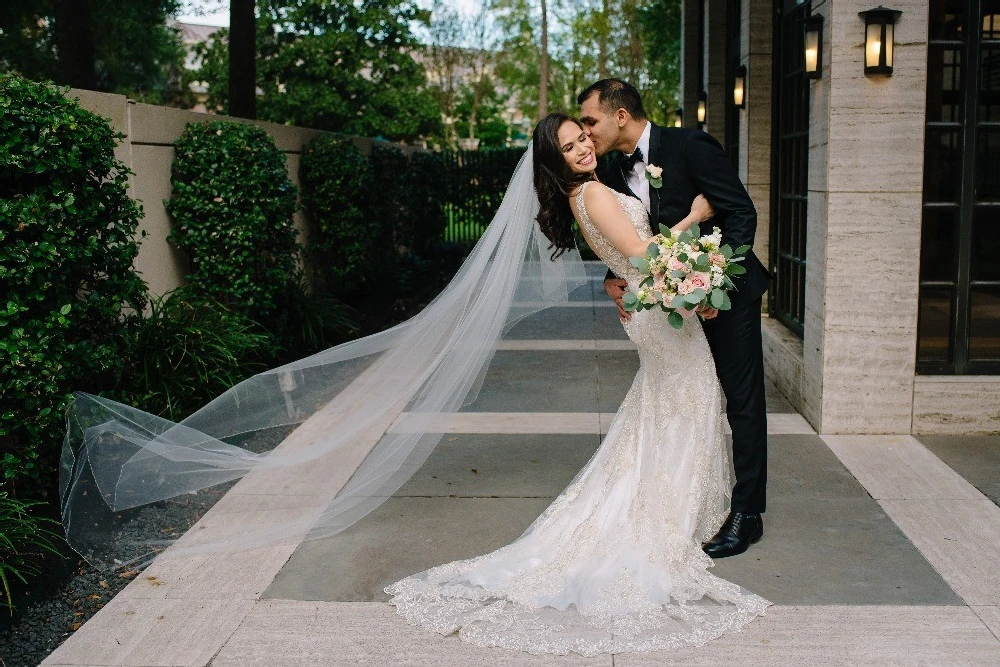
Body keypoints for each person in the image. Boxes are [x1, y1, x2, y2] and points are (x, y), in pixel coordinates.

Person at [383, 113, 769, 656]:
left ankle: (677, 502)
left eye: (582, 137)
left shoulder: (584, 196)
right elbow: (639, 255)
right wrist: (694, 220)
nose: (584, 146)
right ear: (555, 161)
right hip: (658, 315)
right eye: (569, 146)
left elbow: (625, 261)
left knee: (666, 406)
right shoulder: (593, 194)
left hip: (651, 313)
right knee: (689, 399)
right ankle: (667, 513)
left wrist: (633, 280)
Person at [578, 79, 771, 558]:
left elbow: (740, 215)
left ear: (620, 115)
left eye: (590, 121)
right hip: (670, 305)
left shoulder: (690, 145)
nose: (587, 132)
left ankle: (747, 513)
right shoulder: (611, 171)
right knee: (687, 396)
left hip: (726, 294)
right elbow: (631, 234)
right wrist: (612, 275)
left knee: (741, 399)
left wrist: (718, 283)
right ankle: (684, 495)